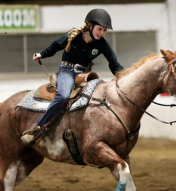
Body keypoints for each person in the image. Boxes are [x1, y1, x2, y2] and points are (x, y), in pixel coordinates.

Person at [21, 9, 124, 145]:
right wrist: (42, 54)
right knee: (63, 96)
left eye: (105, 30)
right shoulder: (74, 34)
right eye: (100, 29)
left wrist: (124, 76)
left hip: (85, 74)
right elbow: (56, 45)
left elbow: (114, 64)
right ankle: (37, 129)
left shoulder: (102, 44)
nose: (102, 33)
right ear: (90, 26)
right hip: (67, 70)